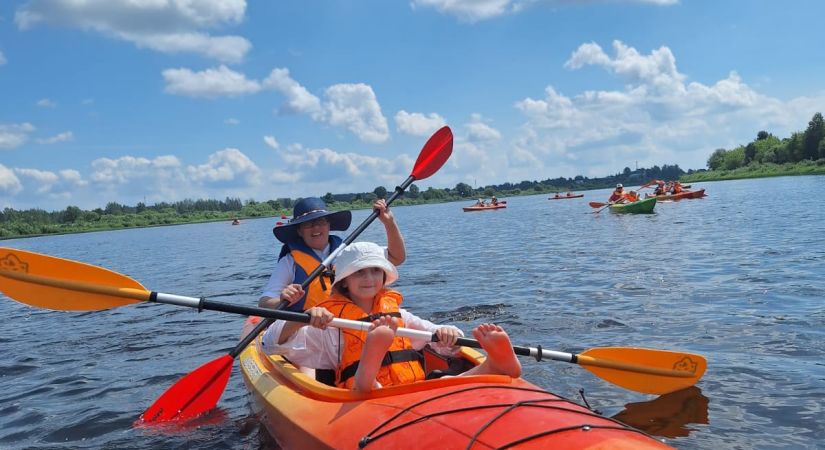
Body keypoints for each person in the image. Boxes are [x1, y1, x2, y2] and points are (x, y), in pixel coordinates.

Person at [262, 242, 522, 391]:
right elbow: (271, 343)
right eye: (360, 273)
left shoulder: (398, 314)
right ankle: (371, 359)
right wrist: (304, 317)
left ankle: (494, 366)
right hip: (365, 393)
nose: (369, 279)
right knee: (367, 386)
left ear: (384, 276)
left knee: (445, 380)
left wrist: (449, 332)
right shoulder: (330, 321)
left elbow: (434, 335)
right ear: (344, 282)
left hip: (412, 388)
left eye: (376, 271)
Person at [258, 197, 405, 312]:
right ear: (299, 231)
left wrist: (389, 222)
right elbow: (264, 302)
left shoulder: (348, 251)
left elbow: (396, 258)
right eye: (308, 224)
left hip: (347, 320)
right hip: (309, 325)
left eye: (321, 221)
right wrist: (283, 299)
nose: (316, 227)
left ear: (329, 225)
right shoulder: (290, 261)